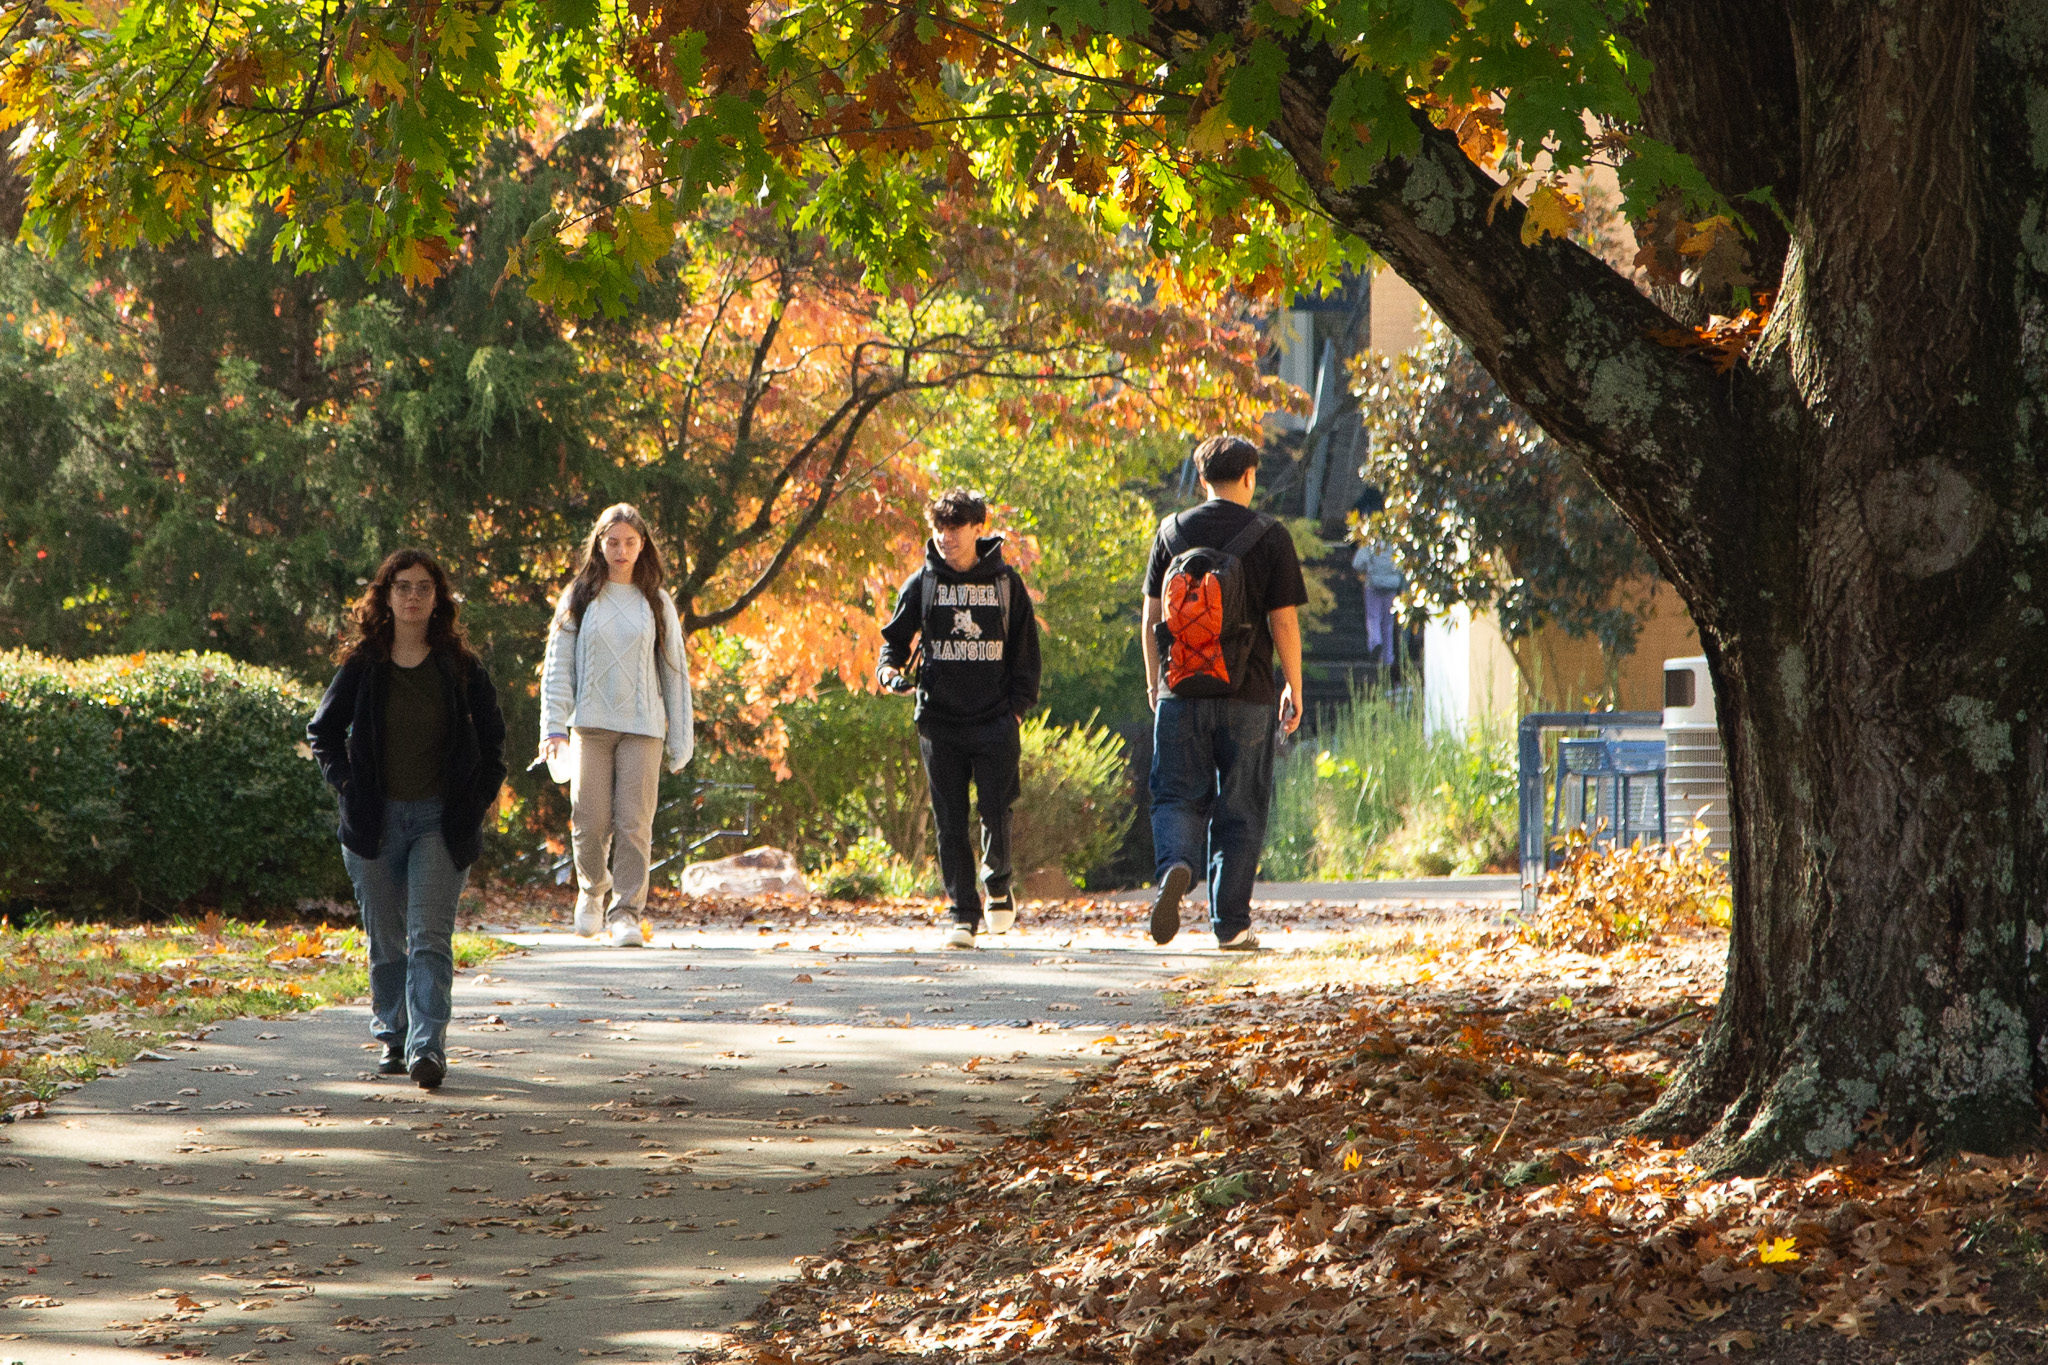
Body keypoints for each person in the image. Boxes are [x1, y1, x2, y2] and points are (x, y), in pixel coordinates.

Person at [307, 550, 508, 1090]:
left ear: (438, 597)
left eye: (423, 587)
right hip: (374, 821)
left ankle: (427, 1048)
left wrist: (474, 801)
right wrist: (348, 787)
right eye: (402, 587)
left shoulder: (461, 668)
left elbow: (494, 747)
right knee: (386, 938)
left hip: (440, 824)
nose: (413, 596)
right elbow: (322, 733)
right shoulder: (363, 666)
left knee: (429, 937)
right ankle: (393, 1035)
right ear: (387, 596)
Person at [1142, 435, 1307, 951]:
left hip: (1180, 691)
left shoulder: (1170, 531)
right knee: (1241, 807)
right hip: (1248, 695)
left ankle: (1178, 866)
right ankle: (1231, 926)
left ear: (1200, 478)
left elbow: (1151, 620)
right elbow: (1283, 622)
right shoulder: (1271, 536)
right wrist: (1293, 688)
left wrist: (1156, 683)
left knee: (1174, 795)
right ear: (1251, 476)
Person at [878, 488, 1042, 950]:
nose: (946, 539)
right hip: (939, 721)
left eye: (955, 529)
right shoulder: (923, 584)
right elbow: (893, 643)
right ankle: (962, 916)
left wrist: (1015, 710)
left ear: (977, 529)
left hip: (995, 720)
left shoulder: (1006, 585)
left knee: (995, 810)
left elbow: (1027, 656)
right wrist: (889, 672)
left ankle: (997, 884)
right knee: (949, 819)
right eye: (939, 529)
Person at [540, 504, 695, 946]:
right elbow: (557, 667)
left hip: (643, 727)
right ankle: (592, 890)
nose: (621, 551)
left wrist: (680, 737)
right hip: (589, 725)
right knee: (587, 821)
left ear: (642, 545)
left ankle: (626, 912)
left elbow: (674, 672)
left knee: (633, 824)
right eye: (613, 542)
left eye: (630, 542)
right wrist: (553, 729)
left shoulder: (656, 601)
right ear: (600, 544)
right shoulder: (579, 597)